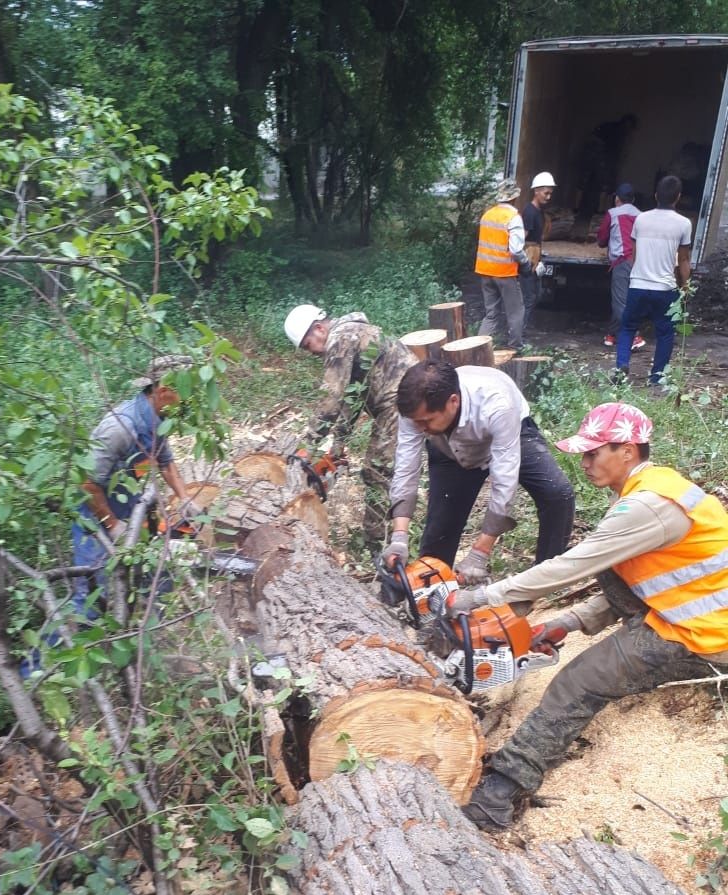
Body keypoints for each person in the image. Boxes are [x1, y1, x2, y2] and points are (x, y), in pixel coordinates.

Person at [449, 401, 728, 830]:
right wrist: (571, 621)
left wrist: (486, 596)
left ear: (628, 451)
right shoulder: (653, 490)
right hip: (692, 615)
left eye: (593, 453)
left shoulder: (646, 507)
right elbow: (639, 580)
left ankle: (500, 793)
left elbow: (569, 566)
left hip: (705, 635)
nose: (585, 463)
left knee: (580, 681)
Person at [382, 360, 575, 585]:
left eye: (426, 421)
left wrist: (480, 553)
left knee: (557, 493)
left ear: (453, 402)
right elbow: (406, 467)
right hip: (449, 449)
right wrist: (399, 536)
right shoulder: (416, 412)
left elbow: (505, 479)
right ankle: (430, 595)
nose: (419, 428)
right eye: (416, 423)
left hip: (509, 435)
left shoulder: (498, 405)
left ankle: (543, 579)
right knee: (439, 534)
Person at [72, 356, 201, 621]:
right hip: (95, 517)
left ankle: (148, 632)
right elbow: (87, 484)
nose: (188, 401)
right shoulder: (120, 428)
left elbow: (166, 463)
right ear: (164, 391)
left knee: (152, 572)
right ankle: (79, 648)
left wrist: (185, 497)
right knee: (94, 594)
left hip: (130, 507)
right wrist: (113, 525)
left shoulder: (158, 421)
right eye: (185, 392)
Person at [284, 304, 417, 550]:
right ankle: (383, 532)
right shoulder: (353, 333)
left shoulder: (341, 339)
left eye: (307, 345)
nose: (310, 352)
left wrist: (310, 446)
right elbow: (353, 396)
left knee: (377, 470)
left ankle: (377, 543)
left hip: (402, 399)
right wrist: (338, 444)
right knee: (384, 468)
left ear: (319, 328)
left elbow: (331, 397)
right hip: (401, 397)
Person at [616, 174, 692, 387]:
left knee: (628, 327)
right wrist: (685, 287)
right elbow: (683, 259)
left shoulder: (642, 219)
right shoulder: (684, 224)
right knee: (665, 333)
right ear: (678, 197)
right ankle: (657, 377)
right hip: (665, 288)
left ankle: (622, 366)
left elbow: (633, 253)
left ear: (656, 195)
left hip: (638, 284)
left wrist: (638, 272)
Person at [474, 178, 532, 352]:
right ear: (514, 198)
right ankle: (515, 347)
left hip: (485, 271)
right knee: (515, 311)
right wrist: (526, 263)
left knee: (491, 314)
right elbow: (515, 249)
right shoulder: (513, 217)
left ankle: (477, 348)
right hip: (505, 273)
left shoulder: (487, 215)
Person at [597, 182, 644, 351]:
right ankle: (612, 335)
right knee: (626, 299)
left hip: (622, 261)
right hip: (639, 261)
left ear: (617, 198)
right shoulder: (641, 215)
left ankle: (634, 336)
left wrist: (605, 243)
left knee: (619, 302)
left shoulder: (613, 213)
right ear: (633, 199)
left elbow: (602, 238)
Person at [520, 172, 553, 334]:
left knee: (536, 296)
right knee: (528, 298)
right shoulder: (529, 212)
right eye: (546, 193)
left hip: (535, 260)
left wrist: (539, 257)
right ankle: (518, 333)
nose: (548, 197)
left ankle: (522, 328)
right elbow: (522, 240)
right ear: (536, 191)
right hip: (527, 262)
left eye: (550, 193)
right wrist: (526, 261)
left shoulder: (539, 212)